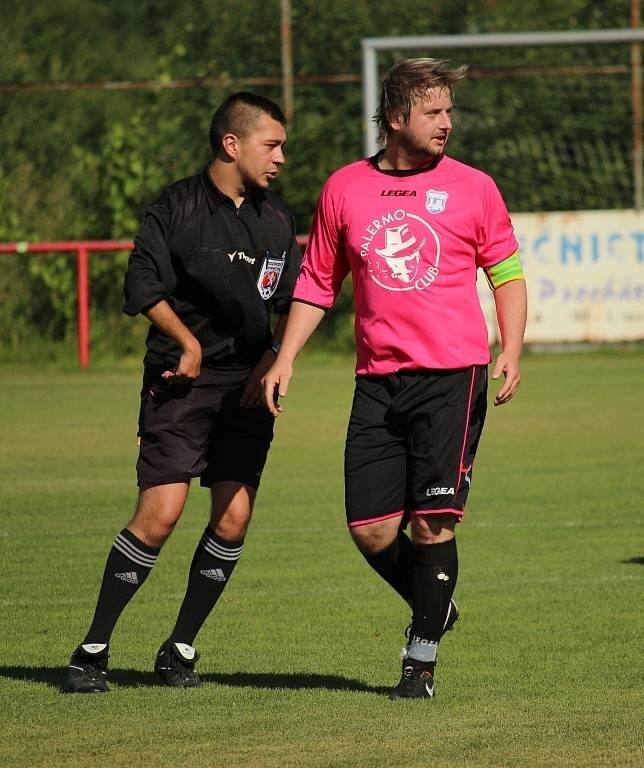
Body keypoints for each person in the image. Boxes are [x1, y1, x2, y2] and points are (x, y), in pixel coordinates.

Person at [262, 59, 527, 700]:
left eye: (449, 111)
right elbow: (319, 281)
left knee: (432, 525)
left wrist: (511, 347)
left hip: (452, 376)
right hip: (377, 380)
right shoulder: (344, 188)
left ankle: (421, 659)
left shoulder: (475, 188)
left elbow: (507, 272)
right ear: (397, 117)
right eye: (433, 111)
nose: (447, 123)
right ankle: (436, 601)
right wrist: (285, 357)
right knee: (371, 529)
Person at [62, 92, 302, 693]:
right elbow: (141, 283)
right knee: (161, 514)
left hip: (247, 386)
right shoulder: (177, 205)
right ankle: (92, 650)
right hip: (181, 378)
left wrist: (273, 360)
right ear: (231, 143)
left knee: (234, 516)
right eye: (271, 145)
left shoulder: (276, 220)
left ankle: (180, 649)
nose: (280, 158)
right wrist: (186, 343)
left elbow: (292, 303)